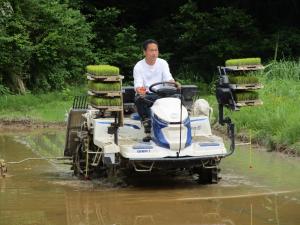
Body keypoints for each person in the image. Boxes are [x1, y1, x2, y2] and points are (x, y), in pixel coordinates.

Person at [133, 39, 180, 142]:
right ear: (144, 52)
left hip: (162, 95)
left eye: (156, 50)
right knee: (139, 99)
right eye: (151, 50)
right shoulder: (139, 66)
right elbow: (138, 84)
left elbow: (168, 78)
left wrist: (174, 83)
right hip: (148, 95)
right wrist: (140, 90)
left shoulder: (163, 63)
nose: (154, 53)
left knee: (179, 98)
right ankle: (147, 123)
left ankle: (176, 124)